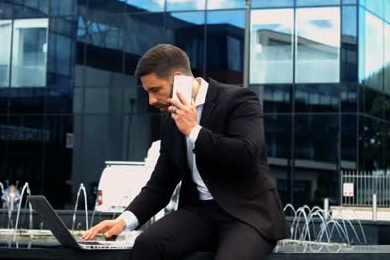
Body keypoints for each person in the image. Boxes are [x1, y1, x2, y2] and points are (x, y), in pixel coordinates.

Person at [82, 44, 288, 259]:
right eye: (148, 92)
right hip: (201, 214)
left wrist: (193, 131)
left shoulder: (239, 100)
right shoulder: (171, 123)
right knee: (147, 244)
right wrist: (124, 221)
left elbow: (247, 153)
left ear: (179, 79)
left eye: (155, 90)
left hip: (248, 214)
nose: (151, 101)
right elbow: (159, 186)